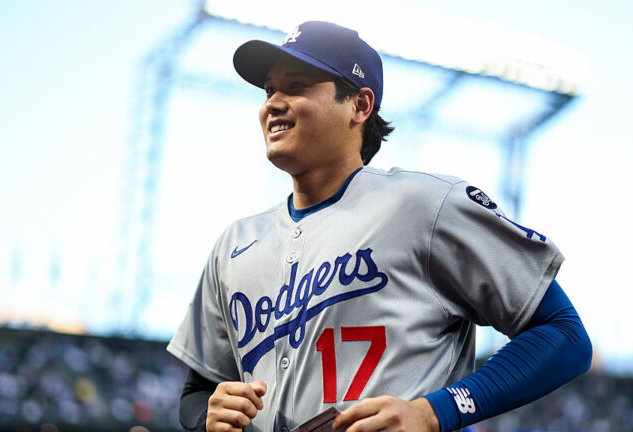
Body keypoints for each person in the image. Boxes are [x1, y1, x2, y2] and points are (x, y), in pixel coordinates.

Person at [167, 21, 592, 432]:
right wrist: (208, 413)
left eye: (296, 85)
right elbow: (197, 392)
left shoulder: (424, 206)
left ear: (359, 105)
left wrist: (433, 413)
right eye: (269, 89)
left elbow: (564, 334)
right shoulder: (235, 244)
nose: (273, 103)